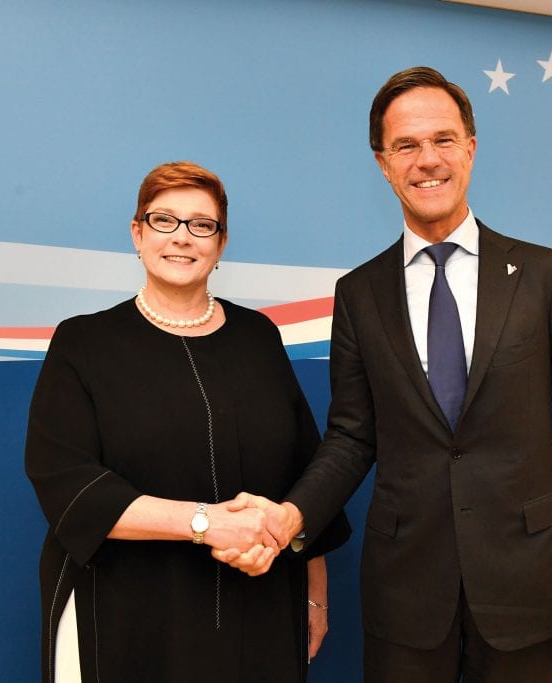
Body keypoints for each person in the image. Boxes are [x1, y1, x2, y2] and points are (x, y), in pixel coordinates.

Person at [225, 67, 552, 682]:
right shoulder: (358, 293)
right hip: (406, 589)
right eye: (406, 146)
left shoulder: (545, 275)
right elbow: (353, 438)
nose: (427, 160)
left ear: (470, 147)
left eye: (442, 139)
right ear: (383, 163)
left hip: (527, 581)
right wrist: (290, 517)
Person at [25, 161, 349, 683]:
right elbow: (69, 487)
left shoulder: (258, 336)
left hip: (260, 605)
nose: (182, 237)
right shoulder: (83, 343)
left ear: (220, 244)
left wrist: (315, 596)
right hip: (126, 611)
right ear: (137, 232)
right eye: (164, 220)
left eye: (202, 225)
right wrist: (207, 522)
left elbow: (304, 477)